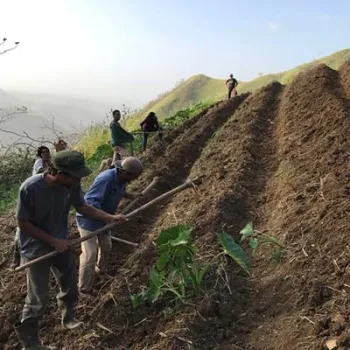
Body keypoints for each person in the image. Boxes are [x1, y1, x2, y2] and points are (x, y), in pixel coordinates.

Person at [14, 150, 126, 350]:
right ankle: (30, 344)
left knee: (70, 283)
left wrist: (109, 217)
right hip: (35, 246)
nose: (77, 180)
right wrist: (52, 241)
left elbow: (83, 207)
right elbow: (23, 223)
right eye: (74, 176)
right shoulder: (30, 188)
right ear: (58, 172)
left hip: (61, 241)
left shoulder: (71, 185)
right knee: (38, 297)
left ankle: (68, 318)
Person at [76, 156, 143, 299]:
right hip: (88, 220)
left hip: (105, 219)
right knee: (90, 254)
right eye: (134, 177)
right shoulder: (105, 179)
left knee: (106, 246)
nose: (134, 180)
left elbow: (120, 191)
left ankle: (101, 270)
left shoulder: (122, 179)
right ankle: (83, 289)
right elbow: (89, 204)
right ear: (125, 172)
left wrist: (132, 196)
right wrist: (110, 217)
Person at [10, 146, 52, 269]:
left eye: (47, 152)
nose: (46, 154)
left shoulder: (49, 162)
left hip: (43, 197)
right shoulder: (39, 163)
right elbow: (42, 173)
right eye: (43, 153)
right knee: (21, 231)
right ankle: (16, 256)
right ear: (40, 154)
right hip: (32, 196)